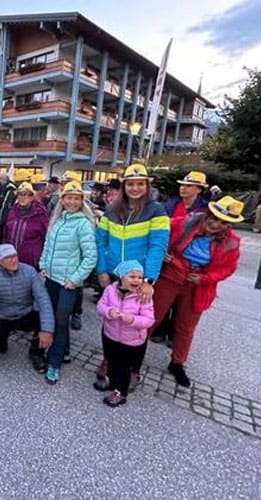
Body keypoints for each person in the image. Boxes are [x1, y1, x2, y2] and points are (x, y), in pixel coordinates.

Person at [148, 196, 243, 387]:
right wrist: (162, 253)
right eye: (213, 219)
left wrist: (205, 278)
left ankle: (177, 363)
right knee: (151, 318)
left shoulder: (231, 242)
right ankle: (133, 354)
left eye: (223, 222)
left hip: (198, 285)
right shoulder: (186, 222)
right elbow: (159, 226)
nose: (216, 224)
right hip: (170, 278)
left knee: (186, 327)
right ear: (207, 215)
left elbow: (228, 268)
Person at [95, 164, 169, 388]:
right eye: (130, 183)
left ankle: (132, 368)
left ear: (147, 186)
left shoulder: (157, 211)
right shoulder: (111, 210)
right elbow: (101, 242)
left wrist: (149, 280)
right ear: (124, 185)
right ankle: (109, 360)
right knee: (111, 318)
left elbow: (158, 246)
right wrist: (102, 270)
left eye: (140, 184)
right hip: (115, 276)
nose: (135, 188)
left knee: (136, 328)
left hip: (139, 279)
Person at [38, 181, 98, 384]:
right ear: (62, 200)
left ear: (82, 201)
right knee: (52, 318)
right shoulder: (57, 220)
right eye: (68, 198)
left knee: (61, 321)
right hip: (51, 279)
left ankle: (54, 363)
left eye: (76, 198)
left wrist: (75, 279)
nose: (72, 202)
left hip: (68, 283)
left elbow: (90, 257)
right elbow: (47, 245)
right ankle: (64, 350)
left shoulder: (83, 224)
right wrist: (43, 264)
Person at [152, 171, 209, 346]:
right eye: (182, 185)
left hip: (186, 261)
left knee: (182, 302)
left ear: (199, 189)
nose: (183, 188)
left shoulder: (205, 209)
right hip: (167, 255)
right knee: (162, 297)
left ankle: (172, 334)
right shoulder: (171, 203)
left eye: (189, 186)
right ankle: (159, 330)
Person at [0, 244, 54, 367]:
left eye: (15, 256)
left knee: (48, 321)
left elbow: (43, 300)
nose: (14, 260)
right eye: (8, 258)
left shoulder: (29, 271)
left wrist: (46, 330)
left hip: (26, 313)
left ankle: (36, 353)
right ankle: (1, 338)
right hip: (3, 316)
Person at [95, 260, 155, 407]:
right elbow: (100, 306)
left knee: (123, 367)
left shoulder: (143, 296)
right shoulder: (110, 290)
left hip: (132, 340)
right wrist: (108, 311)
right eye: (132, 276)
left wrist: (133, 320)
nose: (137, 280)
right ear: (121, 277)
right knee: (111, 359)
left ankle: (120, 392)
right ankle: (110, 380)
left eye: (140, 277)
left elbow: (149, 320)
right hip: (110, 334)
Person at [3, 182, 49, 269]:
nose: (23, 198)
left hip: (30, 261)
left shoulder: (40, 214)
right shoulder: (12, 212)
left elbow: (46, 238)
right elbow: (6, 235)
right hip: (11, 258)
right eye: (20, 194)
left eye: (26, 195)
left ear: (32, 197)